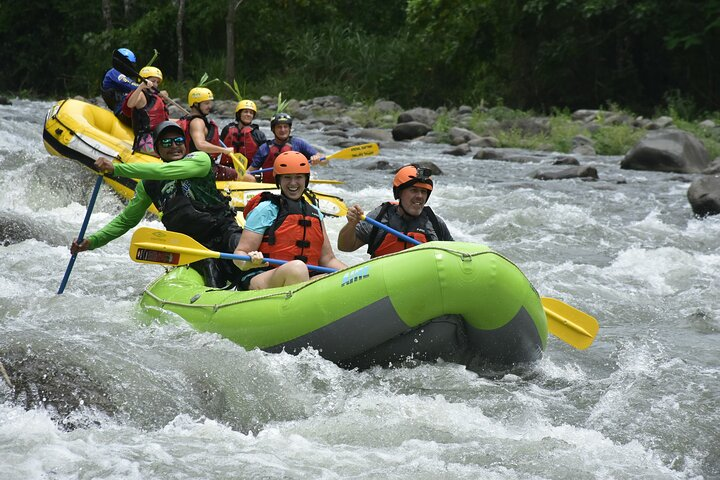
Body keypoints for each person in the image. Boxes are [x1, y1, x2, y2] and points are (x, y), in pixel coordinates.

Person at [70, 121, 244, 288]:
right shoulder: (148, 185)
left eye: (178, 141)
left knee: (240, 249)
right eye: (166, 142)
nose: (174, 146)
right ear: (157, 150)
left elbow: (164, 171)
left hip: (224, 230)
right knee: (210, 266)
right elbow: (126, 221)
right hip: (191, 245)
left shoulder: (200, 160)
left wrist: (117, 169)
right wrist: (93, 241)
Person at [233, 151, 347, 290]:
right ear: (279, 180)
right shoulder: (265, 209)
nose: (293, 183)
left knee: (339, 277)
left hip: (304, 278)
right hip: (263, 276)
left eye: (298, 177)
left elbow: (328, 260)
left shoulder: (315, 213)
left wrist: (354, 274)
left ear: (306, 179)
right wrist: (250, 261)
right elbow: (239, 254)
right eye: (287, 177)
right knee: (297, 268)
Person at [337, 164, 454, 257]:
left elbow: (455, 254)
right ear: (399, 193)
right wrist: (351, 225)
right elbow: (345, 247)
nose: (420, 196)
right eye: (413, 190)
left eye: (423, 192)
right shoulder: (380, 217)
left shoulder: (434, 223)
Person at [180, 87, 255, 182]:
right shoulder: (197, 122)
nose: (209, 106)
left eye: (210, 103)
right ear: (195, 104)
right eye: (206, 103)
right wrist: (223, 150)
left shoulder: (189, 118)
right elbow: (200, 145)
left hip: (199, 165)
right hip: (203, 168)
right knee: (250, 179)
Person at [247, 113, 324, 184]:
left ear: (290, 128)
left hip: (293, 188)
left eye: (285, 127)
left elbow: (324, 160)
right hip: (269, 188)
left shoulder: (298, 144)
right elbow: (250, 171)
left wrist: (318, 158)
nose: (283, 130)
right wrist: (244, 176)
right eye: (279, 127)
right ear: (273, 129)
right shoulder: (265, 148)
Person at [120, 66, 170, 156]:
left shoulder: (154, 97)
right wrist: (140, 87)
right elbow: (130, 104)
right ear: (144, 80)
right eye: (153, 81)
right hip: (145, 141)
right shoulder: (141, 95)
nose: (155, 84)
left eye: (157, 82)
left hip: (158, 137)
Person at [220, 99, 267, 169]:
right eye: (245, 112)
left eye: (251, 113)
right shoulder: (227, 130)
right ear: (239, 114)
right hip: (227, 169)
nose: (248, 114)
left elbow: (264, 156)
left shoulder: (258, 134)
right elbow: (217, 147)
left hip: (249, 171)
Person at [101, 48, 139, 127]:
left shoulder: (123, 75)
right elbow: (132, 86)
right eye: (130, 64)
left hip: (126, 110)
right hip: (122, 111)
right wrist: (144, 86)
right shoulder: (114, 72)